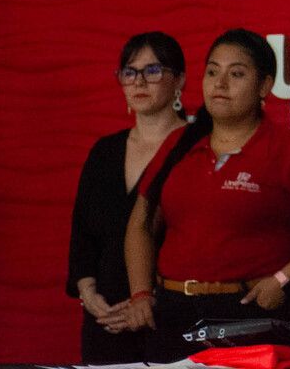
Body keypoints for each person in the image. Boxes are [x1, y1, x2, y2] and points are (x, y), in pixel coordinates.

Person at [122, 28, 290, 361]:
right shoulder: (179, 144)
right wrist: (141, 294)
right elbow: (140, 222)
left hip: (251, 312)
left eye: (236, 74)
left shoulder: (287, 149)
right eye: (213, 71)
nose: (220, 83)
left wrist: (283, 279)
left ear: (265, 86)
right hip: (173, 313)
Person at [66, 31, 187, 363]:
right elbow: (83, 236)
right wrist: (88, 295)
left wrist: (146, 300)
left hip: (172, 316)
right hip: (106, 319)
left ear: (179, 79)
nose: (139, 82)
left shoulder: (197, 147)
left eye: (153, 71)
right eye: (130, 72)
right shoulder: (105, 151)